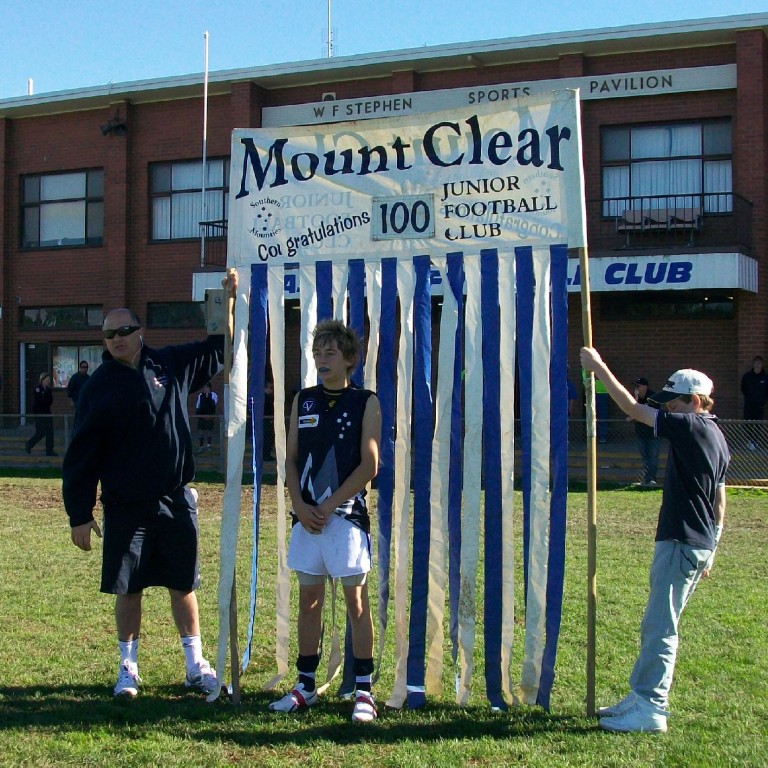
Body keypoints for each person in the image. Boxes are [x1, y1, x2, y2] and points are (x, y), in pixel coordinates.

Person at [62, 270, 237, 699]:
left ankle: (195, 666)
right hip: (125, 505)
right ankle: (129, 667)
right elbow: (81, 454)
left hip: (176, 501)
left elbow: (220, 349)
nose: (117, 338)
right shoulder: (97, 387)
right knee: (129, 587)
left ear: (141, 332)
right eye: (108, 335)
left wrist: (228, 304)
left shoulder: (170, 364)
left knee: (184, 584)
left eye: (124, 330)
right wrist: (80, 514)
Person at [581, 347, 729, 734]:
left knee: (662, 627)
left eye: (674, 402)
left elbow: (633, 409)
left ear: (695, 402)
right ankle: (641, 694)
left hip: (681, 541)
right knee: (657, 624)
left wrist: (598, 369)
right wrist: (713, 544)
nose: (667, 410)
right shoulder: (717, 435)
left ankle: (651, 707)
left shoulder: (692, 426)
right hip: (696, 541)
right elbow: (720, 497)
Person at [269, 319, 381, 723]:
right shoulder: (304, 399)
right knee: (309, 601)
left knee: (355, 601)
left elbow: (370, 463)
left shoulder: (366, 401)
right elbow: (292, 459)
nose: (321, 359)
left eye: (330, 352)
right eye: (317, 352)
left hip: (346, 518)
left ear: (350, 359)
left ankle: (364, 690)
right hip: (307, 519)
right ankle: (305, 685)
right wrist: (298, 503)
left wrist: (332, 503)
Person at [629, 377, 660, 486]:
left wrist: (635, 416)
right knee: (644, 456)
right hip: (640, 431)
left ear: (645, 386)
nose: (636, 388)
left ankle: (652, 479)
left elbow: (650, 413)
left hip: (652, 432)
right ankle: (645, 479)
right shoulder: (634, 398)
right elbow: (633, 410)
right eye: (635, 386)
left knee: (652, 456)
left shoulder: (653, 397)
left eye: (639, 386)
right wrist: (636, 397)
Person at [740, 355, 768, 450]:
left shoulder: (765, 377)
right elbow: (743, 388)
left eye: (759, 363)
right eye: (756, 363)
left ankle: (755, 441)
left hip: (759, 406)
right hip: (749, 404)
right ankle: (750, 440)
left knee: (757, 424)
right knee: (747, 423)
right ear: (753, 364)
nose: (757, 365)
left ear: (762, 364)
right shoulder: (747, 376)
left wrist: (763, 401)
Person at [25, 372, 56, 456]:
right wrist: (45, 399)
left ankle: (49, 450)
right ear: (42, 380)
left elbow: (50, 401)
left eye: (49, 380)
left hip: (47, 413)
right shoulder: (37, 389)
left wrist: (45, 398)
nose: (48, 381)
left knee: (50, 432)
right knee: (41, 432)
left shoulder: (48, 390)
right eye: (47, 380)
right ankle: (29, 444)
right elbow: (40, 401)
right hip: (39, 413)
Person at [194, 382, 218, 451]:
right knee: (201, 431)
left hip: (209, 415)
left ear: (209, 388)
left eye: (207, 388)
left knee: (209, 431)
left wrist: (208, 397)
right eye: (204, 388)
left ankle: (209, 446)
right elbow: (198, 405)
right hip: (202, 415)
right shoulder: (200, 395)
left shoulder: (213, 395)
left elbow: (213, 404)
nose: (205, 389)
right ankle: (201, 446)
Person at [263, 379, 275, 460]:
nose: (271, 390)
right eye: (270, 388)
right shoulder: (265, 398)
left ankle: (267, 454)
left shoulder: (269, 398)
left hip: (269, 420)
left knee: (270, 438)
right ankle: (265, 455)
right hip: (266, 420)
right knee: (268, 438)